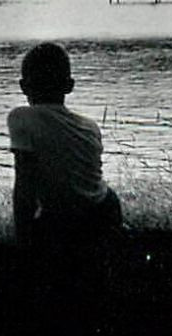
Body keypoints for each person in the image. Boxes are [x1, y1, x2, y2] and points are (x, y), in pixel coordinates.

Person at [7, 42, 123, 249]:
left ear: (23, 86)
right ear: (70, 86)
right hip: (104, 213)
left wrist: (22, 241)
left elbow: (25, 184)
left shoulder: (21, 118)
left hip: (63, 222)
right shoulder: (91, 126)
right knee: (107, 193)